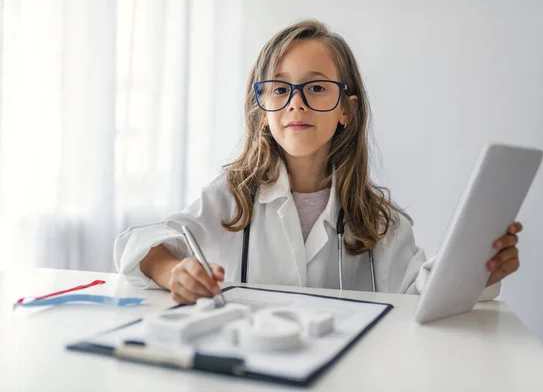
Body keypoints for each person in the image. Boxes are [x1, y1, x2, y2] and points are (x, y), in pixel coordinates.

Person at [114, 20, 522, 304]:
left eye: (316, 87)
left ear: (347, 109)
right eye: (279, 88)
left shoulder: (381, 222)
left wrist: (477, 270)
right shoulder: (232, 196)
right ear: (263, 109)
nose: (296, 103)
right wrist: (173, 273)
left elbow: (421, 299)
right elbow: (140, 246)